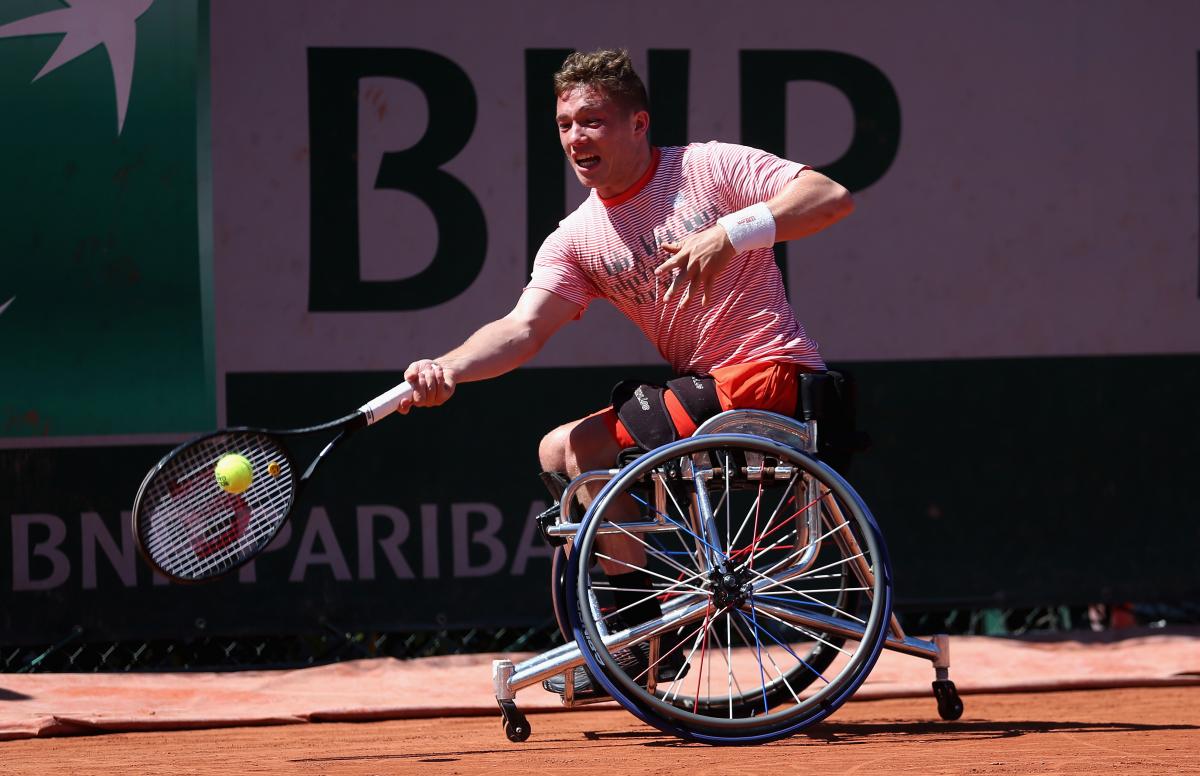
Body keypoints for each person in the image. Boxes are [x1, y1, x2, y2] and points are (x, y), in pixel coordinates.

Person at [398, 48, 854, 696]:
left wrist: (731, 232)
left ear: (639, 125)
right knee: (555, 449)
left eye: (594, 121)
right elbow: (522, 328)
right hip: (711, 394)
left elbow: (830, 197)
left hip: (770, 374)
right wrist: (446, 368)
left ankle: (638, 644)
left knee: (584, 443)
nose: (576, 138)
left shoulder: (709, 168)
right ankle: (639, 633)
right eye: (564, 124)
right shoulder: (577, 237)